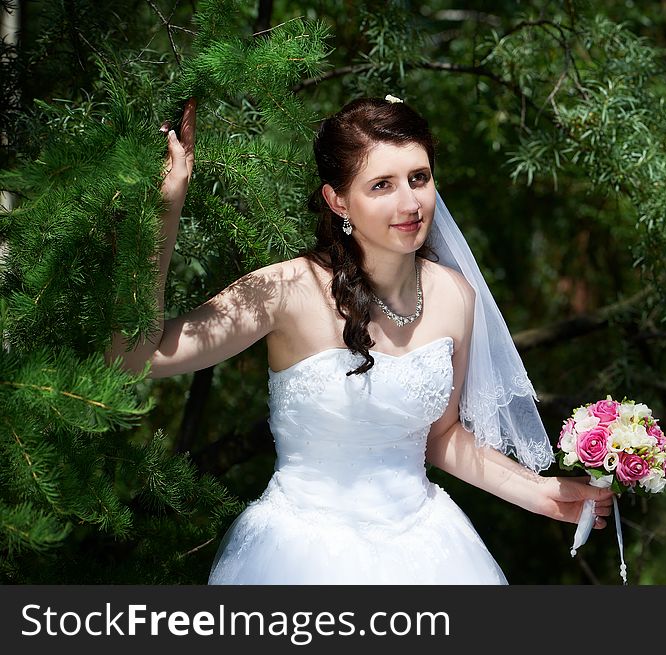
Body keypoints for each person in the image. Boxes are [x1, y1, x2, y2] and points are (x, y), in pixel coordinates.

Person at [105, 96, 614, 584]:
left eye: (419, 178)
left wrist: (543, 494)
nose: (410, 202)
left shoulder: (455, 297)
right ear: (337, 199)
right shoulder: (287, 290)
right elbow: (135, 357)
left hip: (429, 556)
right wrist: (164, 208)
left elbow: (440, 438)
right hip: (299, 558)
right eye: (382, 185)